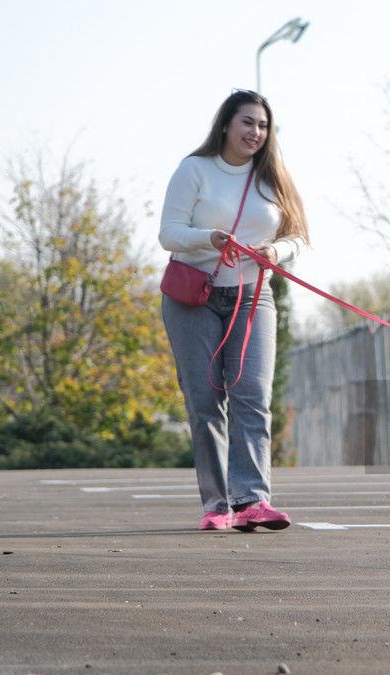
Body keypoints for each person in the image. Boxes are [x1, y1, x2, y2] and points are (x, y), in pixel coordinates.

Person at [159, 90, 308, 531]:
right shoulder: (195, 169)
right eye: (247, 123)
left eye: (263, 126)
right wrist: (209, 238)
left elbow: (299, 235)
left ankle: (252, 500)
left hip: (252, 295)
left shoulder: (273, 178)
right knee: (205, 402)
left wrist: (276, 251)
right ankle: (217, 506)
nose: (256, 133)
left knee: (253, 398)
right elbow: (169, 233)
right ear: (225, 124)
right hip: (194, 297)